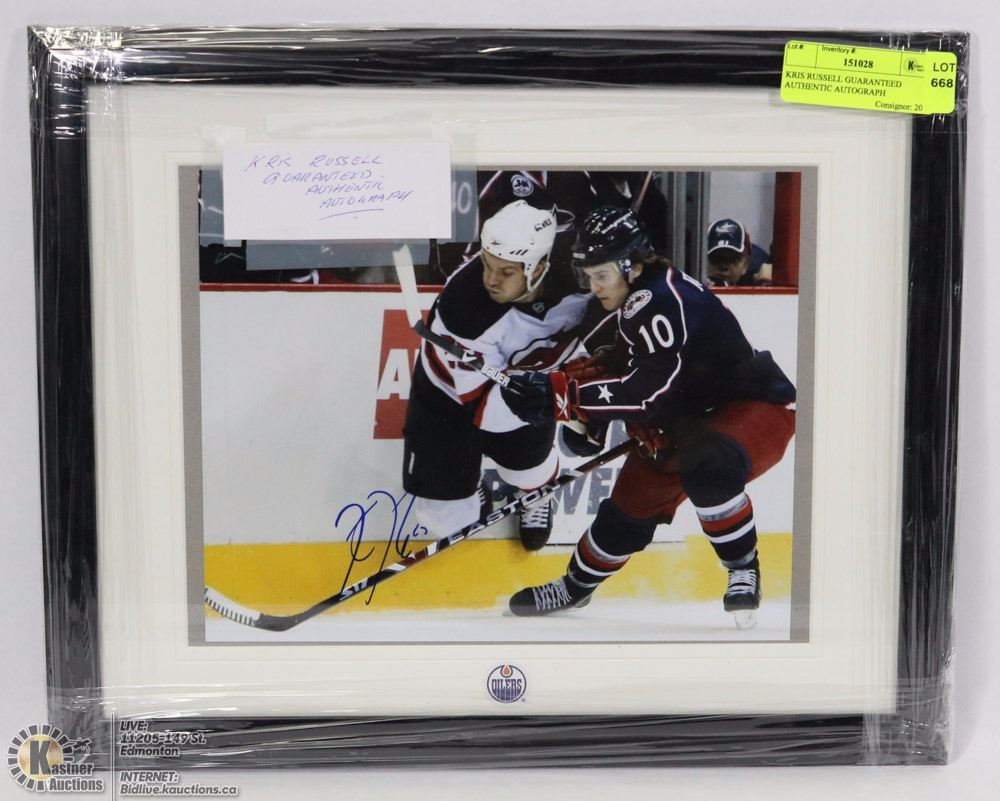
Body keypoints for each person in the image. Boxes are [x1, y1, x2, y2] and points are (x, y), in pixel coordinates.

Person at [499, 205, 795, 626]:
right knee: (623, 518)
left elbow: (647, 394)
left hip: (752, 408)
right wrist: (589, 422)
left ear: (631, 265)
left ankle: (743, 568)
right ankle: (574, 588)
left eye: (602, 275)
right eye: (588, 276)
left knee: (709, 466)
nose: (594, 287)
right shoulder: (631, 301)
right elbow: (623, 374)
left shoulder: (658, 299)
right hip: (683, 424)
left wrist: (565, 397)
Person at [403, 200, 591, 550]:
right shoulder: (464, 308)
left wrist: (589, 405)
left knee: (530, 470)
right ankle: (467, 482)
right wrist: (554, 401)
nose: (490, 280)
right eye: (486, 264)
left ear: (538, 267)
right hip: (449, 395)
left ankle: (535, 495)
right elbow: (483, 409)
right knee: (446, 518)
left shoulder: (582, 275)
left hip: (526, 381)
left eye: (506, 272)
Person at [706, 218, 773, 286]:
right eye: (716, 258)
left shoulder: (756, 269)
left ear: (745, 265)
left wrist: (763, 286)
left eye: (732, 259)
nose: (723, 268)